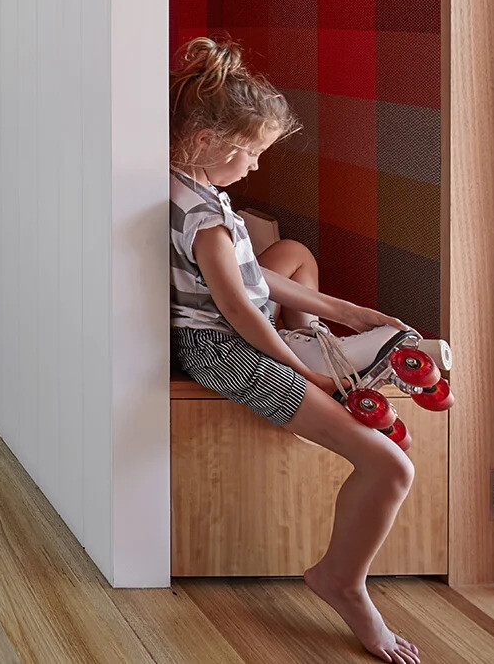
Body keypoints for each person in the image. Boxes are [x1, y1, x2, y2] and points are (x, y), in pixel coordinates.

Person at [171, 37, 419, 664]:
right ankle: (342, 581)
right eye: (251, 153)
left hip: (231, 330)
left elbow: (251, 274)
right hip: (228, 352)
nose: (255, 166)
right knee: (391, 467)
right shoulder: (206, 223)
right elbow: (236, 309)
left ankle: (323, 343)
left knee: (295, 255)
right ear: (206, 142)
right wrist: (301, 371)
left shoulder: (189, 187)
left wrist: (348, 311)